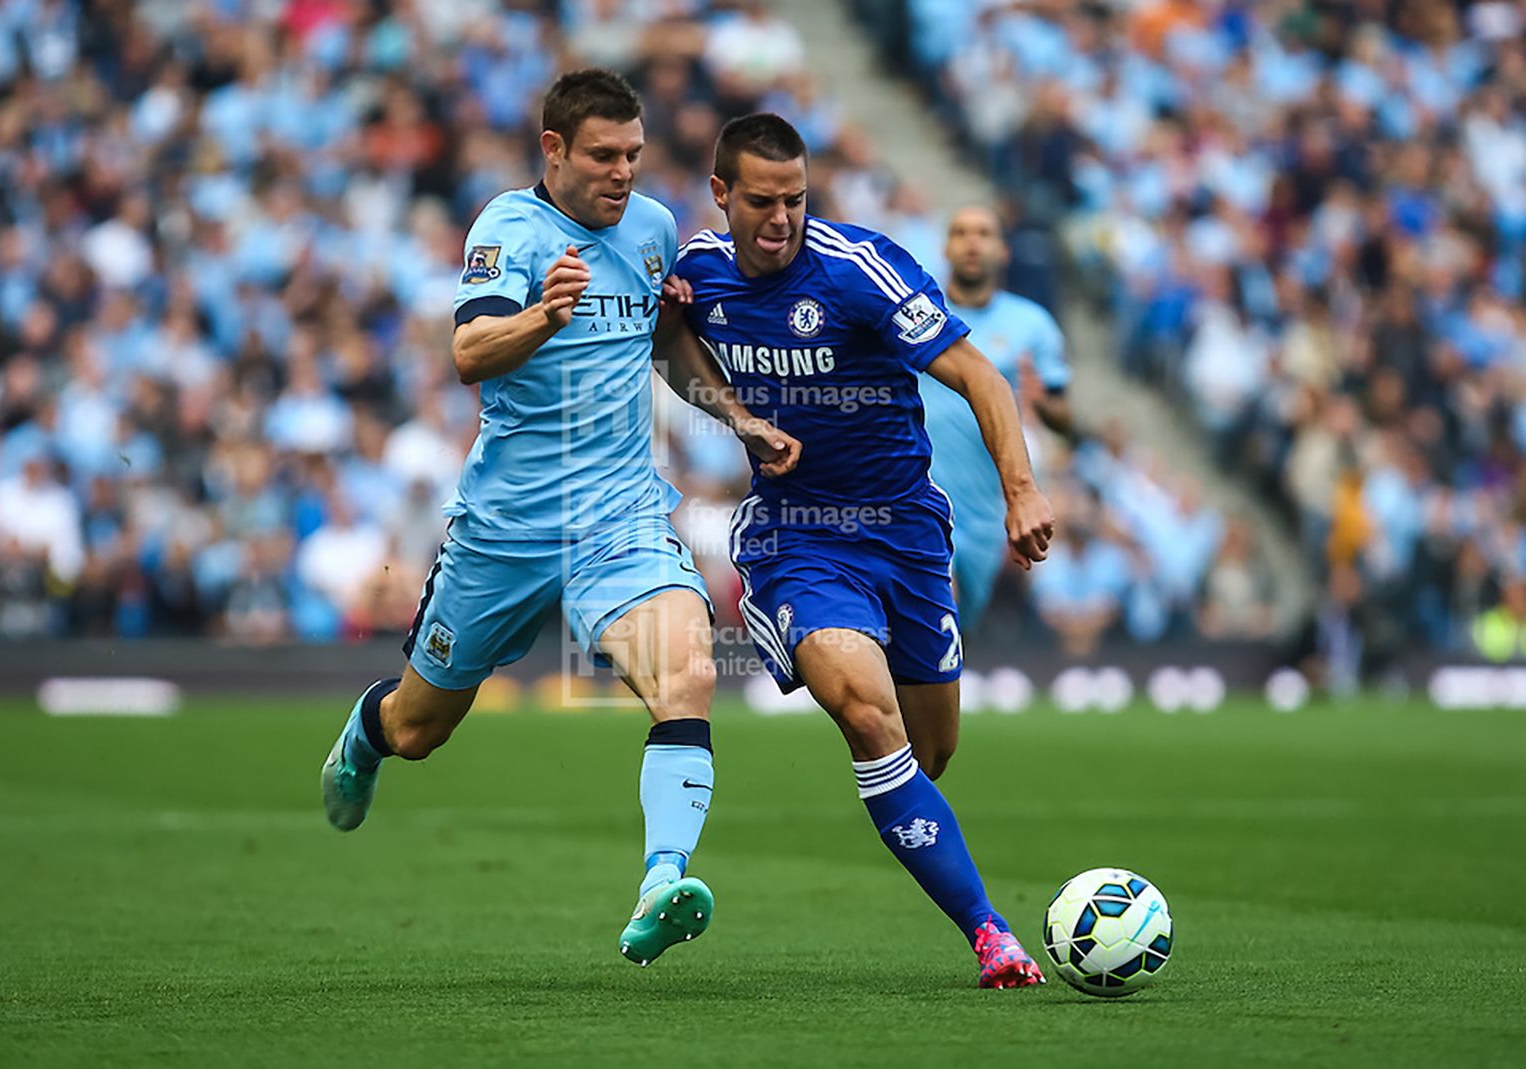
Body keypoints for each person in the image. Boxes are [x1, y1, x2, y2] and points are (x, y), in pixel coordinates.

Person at [317, 70, 797, 969]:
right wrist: (544, 315)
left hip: (621, 512)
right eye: (604, 156)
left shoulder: (653, 230)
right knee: (421, 728)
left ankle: (663, 877)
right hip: (506, 526)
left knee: (688, 671)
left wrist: (736, 418)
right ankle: (366, 733)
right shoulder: (510, 229)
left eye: (634, 155)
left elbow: (662, 343)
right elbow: (468, 352)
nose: (624, 173)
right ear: (555, 151)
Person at [666, 114, 1055, 989]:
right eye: (761, 202)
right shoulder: (696, 269)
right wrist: (738, 419)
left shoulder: (859, 271)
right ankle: (990, 934)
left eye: (796, 199)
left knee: (930, 750)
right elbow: (671, 344)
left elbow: (982, 376)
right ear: (723, 195)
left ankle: (903, 805)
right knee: (868, 715)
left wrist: (1023, 489)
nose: (781, 219)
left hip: (908, 534)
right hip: (797, 538)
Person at [918, 205, 1073, 633]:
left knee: (949, 639)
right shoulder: (918, 315)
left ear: (1002, 250)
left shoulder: (1033, 325)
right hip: (921, 498)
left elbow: (1066, 420)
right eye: (961, 232)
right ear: (945, 247)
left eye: (983, 233)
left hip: (988, 510)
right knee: (933, 609)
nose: (972, 242)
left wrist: (1042, 404)